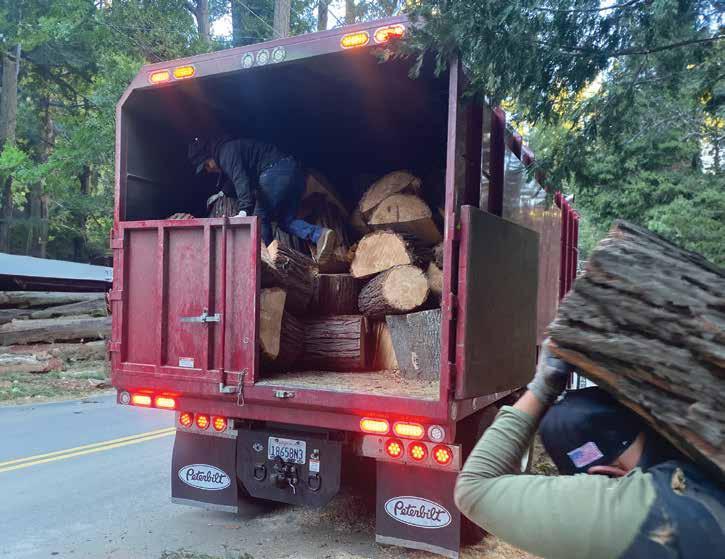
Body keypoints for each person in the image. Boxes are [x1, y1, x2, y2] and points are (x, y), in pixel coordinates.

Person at [454, 341, 724, 559]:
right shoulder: (702, 462)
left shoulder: (630, 514)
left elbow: (474, 487)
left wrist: (541, 389)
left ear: (603, 474)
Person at [188, 137, 336, 262]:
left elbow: (240, 180)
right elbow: (235, 178)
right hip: (294, 173)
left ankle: (270, 261)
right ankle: (320, 235)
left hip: (276, 172)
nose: (209, 170)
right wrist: (222, 193)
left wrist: (244, 211)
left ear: (210, 157)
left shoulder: (226, 153)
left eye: (206, 165)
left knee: (259, 219)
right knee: (286, 222)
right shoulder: (230, 151)